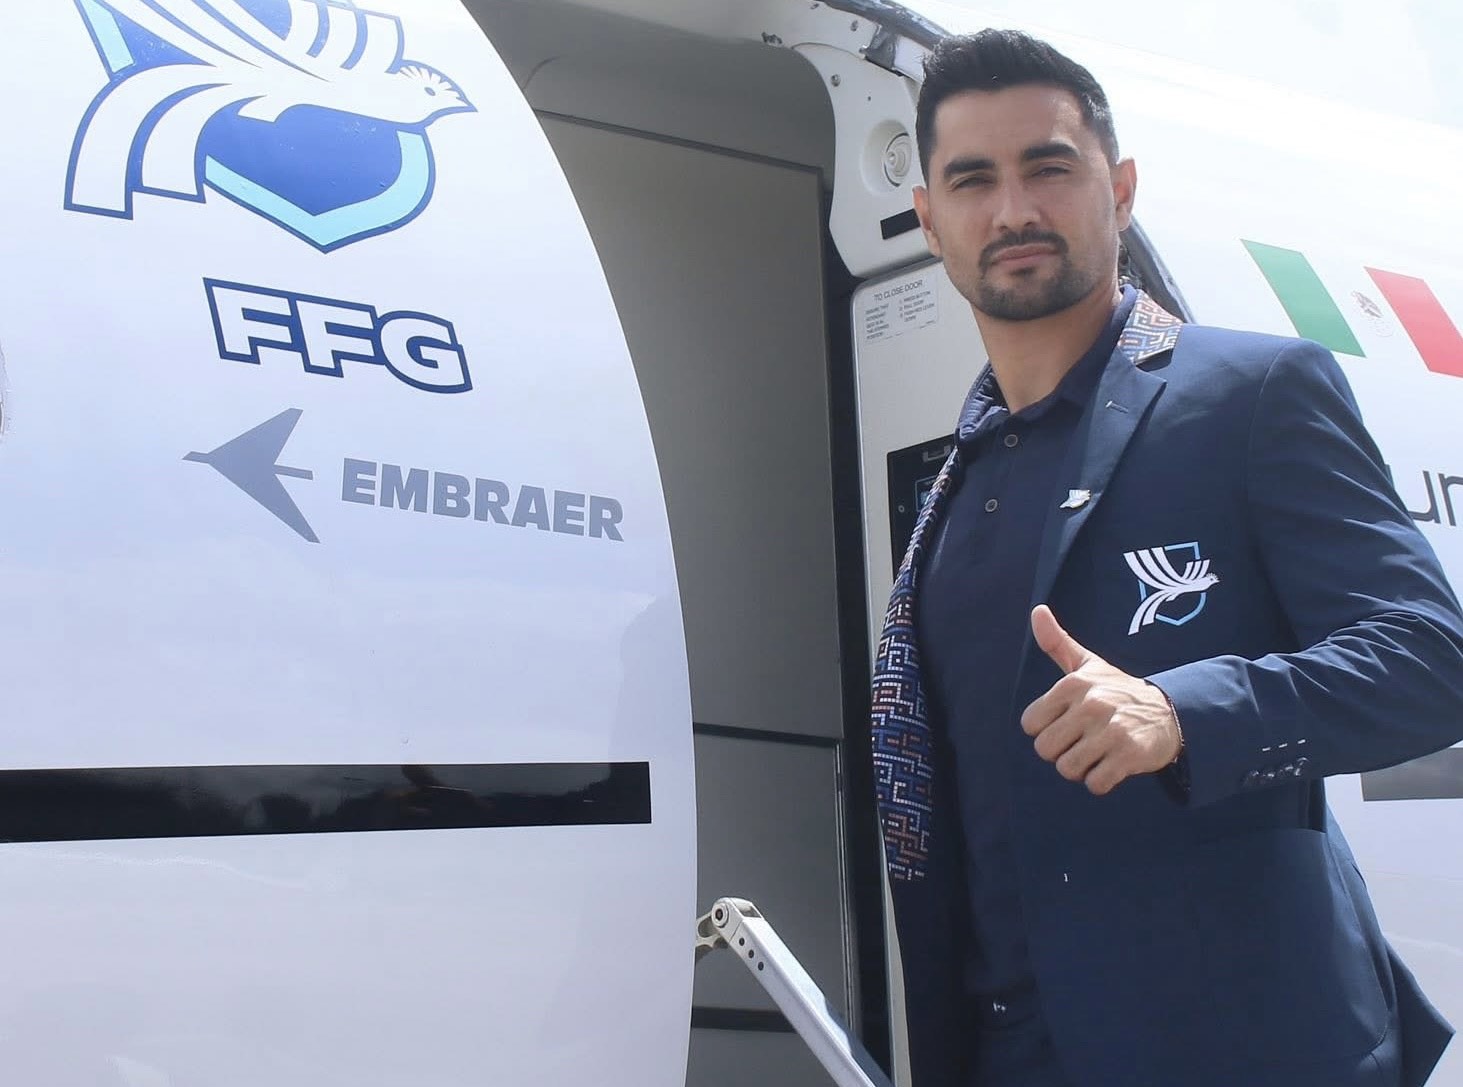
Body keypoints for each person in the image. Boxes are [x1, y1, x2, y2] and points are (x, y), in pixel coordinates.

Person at [869, 28, 1463, 1087]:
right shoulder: (951, 490)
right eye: (972, 181)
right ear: (928, 219)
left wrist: (1184, 715)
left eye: (1047, 168)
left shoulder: (1249, 395)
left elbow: (1429, 661)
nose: (1011, 210)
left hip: (1244, 1051)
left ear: (1120, 189)